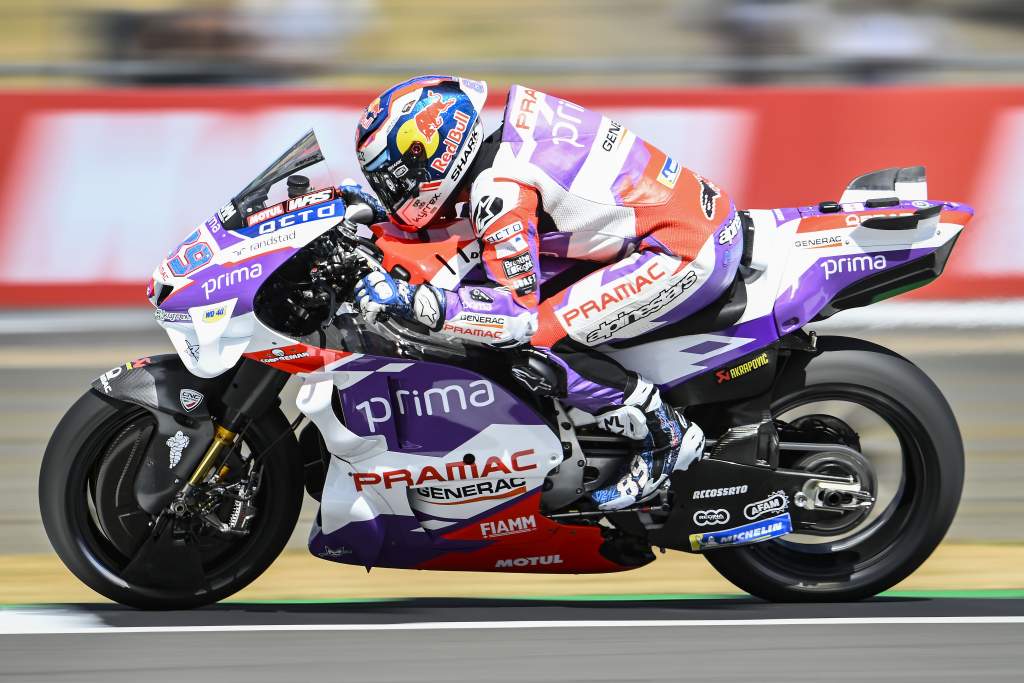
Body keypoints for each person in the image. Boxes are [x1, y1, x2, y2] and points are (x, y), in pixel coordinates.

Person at [352, 75, 742, 510]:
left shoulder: (500, 191)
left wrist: (417, 302)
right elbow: (486, 227)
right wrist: (378, 219)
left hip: (682, 249)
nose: (394, 190)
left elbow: (513, 315)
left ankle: (664, 434)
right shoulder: (507, 138)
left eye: (397, 177)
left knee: (536, 341)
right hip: (689, 217)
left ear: (434, 152)